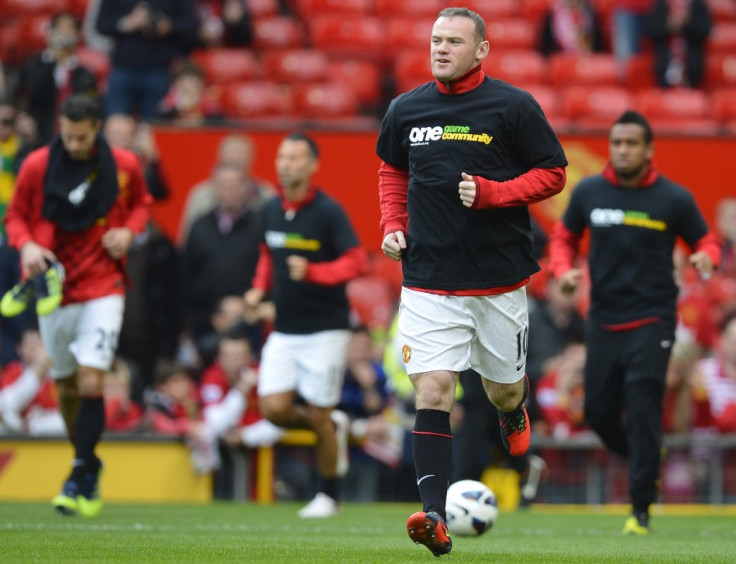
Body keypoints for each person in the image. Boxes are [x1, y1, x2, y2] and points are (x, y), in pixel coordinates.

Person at [375, 7, 568, 557]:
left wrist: (493, 193)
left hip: (498, 279)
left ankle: (513, 409)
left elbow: (553, 171)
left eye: (454, 41)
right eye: (436, 39)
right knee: (434, 390)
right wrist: (393, 226)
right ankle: (433, 517)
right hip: (429, 278)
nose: (441, 49)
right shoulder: (406, 109)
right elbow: (392, 170)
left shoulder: (513, 106)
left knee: (503, 388)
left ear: (481, 50)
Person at [548, 110, 720, 535]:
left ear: (649, 150)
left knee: (643, 407)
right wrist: (562, 269)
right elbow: (563, 237)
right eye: (616, 143)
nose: (622, 150)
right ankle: (647, 457)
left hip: (652, 319)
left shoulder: (673, 198)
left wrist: (707, 258)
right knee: (599, 412)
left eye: (631, 144)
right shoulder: (588, 191)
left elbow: (706, 240)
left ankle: (640, 508)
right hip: (604, 319)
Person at [4, 93, 152, 517]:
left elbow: (141, 204)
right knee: (66, 386)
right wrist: (27, 244)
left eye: (81, 137)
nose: (73, 145)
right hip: (54, 287)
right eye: (67, 137)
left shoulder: (123, 165)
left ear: (97, 130)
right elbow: (14, 216)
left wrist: (128, 232)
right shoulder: (37, 165)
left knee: (91, 380)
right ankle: (88, 462)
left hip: (104, 286)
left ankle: (76, 473)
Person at [244, 131, 368, 518]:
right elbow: (268, 254)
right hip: (285, 328)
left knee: (317, 411)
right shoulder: (269, 209)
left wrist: (314, 271)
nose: (286, 164)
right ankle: (333, 426)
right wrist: (257, 289)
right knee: (273, 409)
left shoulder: (329, 212)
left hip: (326, 329)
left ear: (313, 166)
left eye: (296, 158)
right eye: (282, 157)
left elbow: (356, 262)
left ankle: (329, 496)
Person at [95, 0, 198, 119]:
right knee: (117, 123)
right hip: (123, 67)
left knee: (155, 124)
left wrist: (169, 25)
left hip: (159, 69)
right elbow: (101, 25)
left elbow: (191, 24)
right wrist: (127, 23)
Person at [18, 11, 98, 145]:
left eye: (70, 29)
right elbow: (30, 94)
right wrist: (53, 59)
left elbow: (90, 103)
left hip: (73, 139)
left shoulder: (84, 73)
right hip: (38, 135)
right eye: (60, 29)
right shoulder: (33, 66)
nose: (65, 34)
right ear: (50, 34)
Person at [178, 133, 274, 244]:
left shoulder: (265, 194)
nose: (237, 158)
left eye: (242, 154)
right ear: (220, 157)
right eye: (232, 154)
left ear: (251, 158)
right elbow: (186, 239)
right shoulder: (200, 195)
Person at [646, 0, 712, 88]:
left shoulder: (697, 4)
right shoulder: (662, 4)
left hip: (692, 69)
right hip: (664, 67)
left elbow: (705, 30)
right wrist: (669, 24)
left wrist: (687, 22)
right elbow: (651, 29)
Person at [538, 0, 605, 57]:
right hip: (562, 63)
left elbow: (597, 46)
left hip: (587, 61)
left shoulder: (590, 11)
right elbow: (547, 50)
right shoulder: (552, 14)